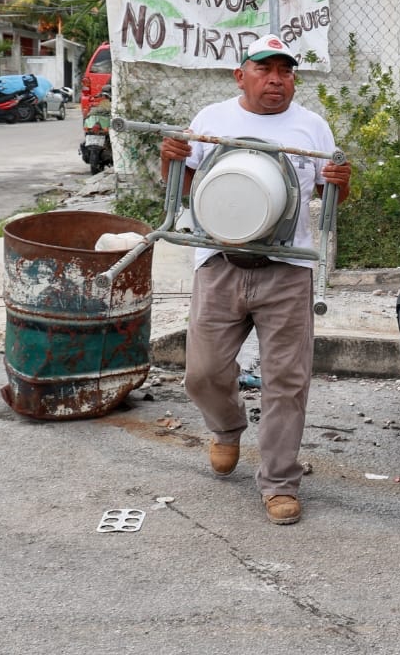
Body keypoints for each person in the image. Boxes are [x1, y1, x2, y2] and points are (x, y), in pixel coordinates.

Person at [160, 32, 352, 526]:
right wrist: (171, 159)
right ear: (239, 75)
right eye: (265, 69)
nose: (276, 80)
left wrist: (340, 187)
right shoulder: (212, 120)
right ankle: (227, 427)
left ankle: (280, 482)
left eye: (285, 71)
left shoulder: (312, 127)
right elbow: (186, 188)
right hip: (221, 261)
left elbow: (329, 204)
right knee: (202, 373)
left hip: (288, 269)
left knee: (286, 381)